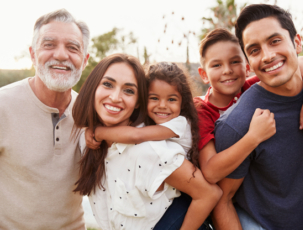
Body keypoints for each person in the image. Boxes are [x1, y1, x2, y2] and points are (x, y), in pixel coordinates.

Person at [72, 55, 221, 230]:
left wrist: (98, 132)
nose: (115, 97)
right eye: (107, 84)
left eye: (129, 90)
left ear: (138, 102)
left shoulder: (152, 151)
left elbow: (209, 193)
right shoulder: (87, 141)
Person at [212, 4, 303, 230]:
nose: (268, 56)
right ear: (248, 62)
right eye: (254, 50)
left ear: (297, 42)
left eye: (275, 41)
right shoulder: (239, 125)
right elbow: (222, 200)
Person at [0, 9, 89, 229]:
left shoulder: (90, 115)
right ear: (32, 54)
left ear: (84, 60)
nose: (61, 55)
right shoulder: (2, 105)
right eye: (49, 45)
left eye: (72, 47)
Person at [195, 28, 303, 184]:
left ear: (247, 68)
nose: (227, 70)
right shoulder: (201, 110)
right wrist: (254, 137)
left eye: (234, 61)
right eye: (217, 65)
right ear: (204, 74)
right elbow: (210, 172)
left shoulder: (250, 89)